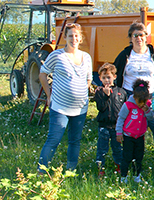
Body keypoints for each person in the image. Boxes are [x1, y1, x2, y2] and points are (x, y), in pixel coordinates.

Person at [37, 23, 93, 173]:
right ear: (65, 38)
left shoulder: (86, 57)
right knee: (53, 140)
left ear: (80, 38)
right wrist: (49, 95)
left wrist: (80, 91)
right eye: (70, 36)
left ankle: (70, 171)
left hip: (80, 108)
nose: (73, 38)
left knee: (75, 141)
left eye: (76, 36)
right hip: (60, 107)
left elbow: (89, 79)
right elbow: (43, 74)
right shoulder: (57, 55)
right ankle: (41, 171)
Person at [113, 22, 154, 95]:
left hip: (151, 95)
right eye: (135, 35)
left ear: (146, 37)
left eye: (141, 35)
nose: (138, 38)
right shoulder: (125, 54)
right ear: (131, 38)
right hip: (129, 95)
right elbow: (112, 72)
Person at [94, 63, 127, 177]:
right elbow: (100, 107)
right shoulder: (99, 92)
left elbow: (125, 109)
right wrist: (106, 96)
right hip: (104, 126)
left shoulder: (121, 92)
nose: (106, 80)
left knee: (117, 148)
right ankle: (100, 168)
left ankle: (119, 166)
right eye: (104, 78)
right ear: (100, 79)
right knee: (102, 148)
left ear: (114, 77)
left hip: (117, 126)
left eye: (109, 77)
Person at [116, 80, 152, 183]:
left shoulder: (147, 105)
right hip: (128, 135)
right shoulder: (128, 105)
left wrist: (147, 110)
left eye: (144, 102)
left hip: (140, 135)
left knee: (139, 157)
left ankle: (137, 176)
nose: (142, 104)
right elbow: (121, 118)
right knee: (127, 156)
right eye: (140, 102)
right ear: (134, 98)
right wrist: (119, 132)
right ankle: (124, 176)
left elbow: (150, 117)